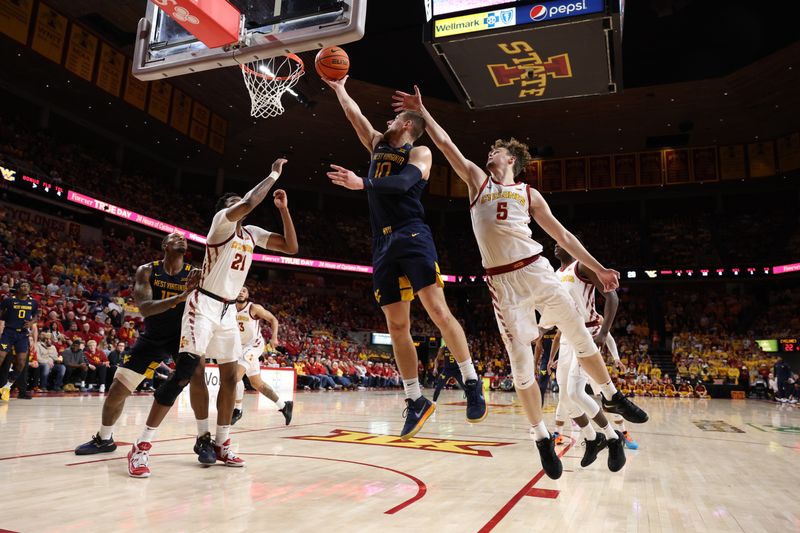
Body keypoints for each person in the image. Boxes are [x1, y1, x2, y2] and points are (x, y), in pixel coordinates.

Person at [393, 85, 647, 479]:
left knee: (578, 332)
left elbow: (564, 238)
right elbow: (445, 146)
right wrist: (424, 113)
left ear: (511, 159)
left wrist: (597, 269)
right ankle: (541, 438)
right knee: (522, 369)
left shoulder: (528, 193)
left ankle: (613, 397)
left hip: (536, 269)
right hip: (502, 285)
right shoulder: (478, 182)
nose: (488, 154)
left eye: (495, 150)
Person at [323, 76, 486, 440]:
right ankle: (415, 398)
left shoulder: (419, 154)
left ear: (408, 124)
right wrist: (339, 90)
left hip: (412, 234)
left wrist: (361, 183)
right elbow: (355, 115)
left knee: (438, 311)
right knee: (397, 327)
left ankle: (472, 380)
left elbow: (400, 184)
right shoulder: (377, 144)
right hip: (381, 245)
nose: (387, 121)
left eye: (395, 119)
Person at [127, 159, 297, 478]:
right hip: (202, 304)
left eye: (240, 205)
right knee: (187, 373)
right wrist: (273, 173)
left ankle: (222, 442)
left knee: (232, 378)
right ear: (226, 209)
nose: (241, 208)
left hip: (227, 310)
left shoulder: (252, 233)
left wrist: (284, 209)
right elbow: (247, 201)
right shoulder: (221, 222)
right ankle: (141, 445)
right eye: (235, 204)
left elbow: (291, 246)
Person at [75, 232, 208, 458]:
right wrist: (180, 297)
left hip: (182, 338)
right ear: (165, 245)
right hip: (153, 337)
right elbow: (145, 308)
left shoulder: (194, 274)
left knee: (198, 376)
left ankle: (204, 439)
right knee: (118, 389)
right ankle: (104, 439)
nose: (182, 240)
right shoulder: (147, 270)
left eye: (185, 239)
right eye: (176, 238)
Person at [546, 243, 627, 471]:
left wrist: (603, 333)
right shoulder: (555, 275)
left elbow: (612, 298)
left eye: (560, 242)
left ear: (572, 247)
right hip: (566, 338)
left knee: (576, 392)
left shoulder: (581, 267)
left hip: (587, 333)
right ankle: (593, 438)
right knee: (566, 398)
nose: (555, 246)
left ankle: (613, 436)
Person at [230, 286, 293, 426]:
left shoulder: (254, 308)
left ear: (248, 294)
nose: (240, 292)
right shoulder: (229, 307)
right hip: (238, 348)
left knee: (235, 377)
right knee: (256, 383)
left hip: (253, 346)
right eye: (238, 290)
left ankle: (238, 409)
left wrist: (274, 337)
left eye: (244, 290)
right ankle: (284, 405)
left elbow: (273, 319)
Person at [0, 281, 39, 400]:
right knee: (1, 357)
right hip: (8, 332)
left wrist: (31, 322)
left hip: (22, 335)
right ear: (18, 289)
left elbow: (37, 315)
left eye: (27, 286)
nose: (25, 287)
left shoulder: (33, 302)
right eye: (23, 285)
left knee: (22, 362)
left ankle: (7, 386)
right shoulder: (9, 300)